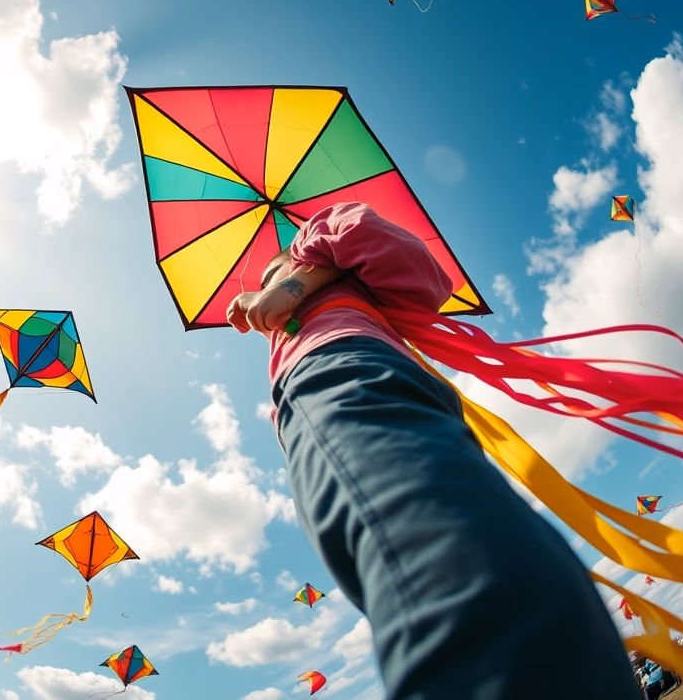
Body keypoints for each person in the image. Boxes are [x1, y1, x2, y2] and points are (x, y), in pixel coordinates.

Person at [226, 202, 641, 699]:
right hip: (332, 402)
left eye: (282, 268)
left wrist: (296, 273)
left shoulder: (318, 268)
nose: (269, 286)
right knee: (464, 552)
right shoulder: (310, 331)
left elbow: (414, 268)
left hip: (342, 376)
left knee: (462, 573)